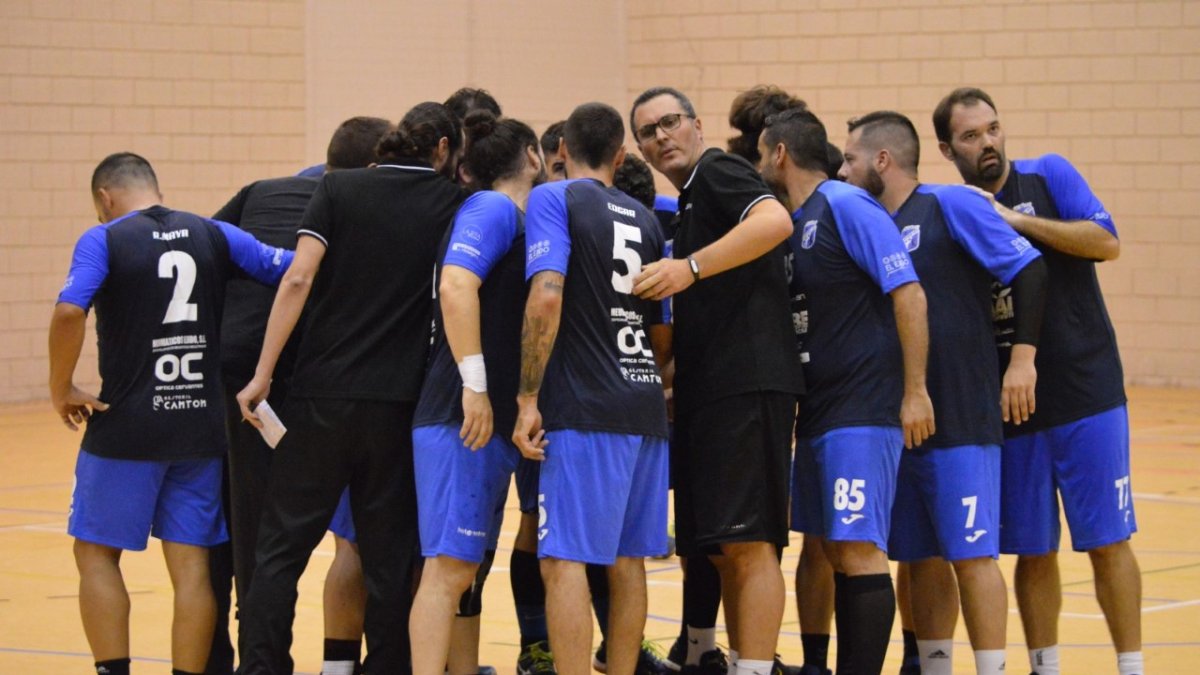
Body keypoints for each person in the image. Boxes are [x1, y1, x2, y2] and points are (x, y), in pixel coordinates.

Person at [234, 102, 465, 675]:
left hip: (321, 399)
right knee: (389, 561)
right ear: (441, 150)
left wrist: (262, 374)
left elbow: (298, 277)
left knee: (280, 550)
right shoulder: (452, 204)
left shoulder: (339, 191)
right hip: (398, 408)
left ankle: (262, 667)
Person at [49, 152, 293, 675]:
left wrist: (60, 386)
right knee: (191, 568)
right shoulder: (213, 233)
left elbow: (70, 308)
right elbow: (292, 271)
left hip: (126, 427)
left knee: (95, 555)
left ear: (104, 198)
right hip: (199, 428)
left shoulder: (105, 238)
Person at [934, 87, 1142, 675]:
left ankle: (1132, 664)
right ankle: (1044, 665)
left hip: (1086, 389)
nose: (988, 142)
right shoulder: (951, 208)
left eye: (993, 129)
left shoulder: (1049, 176)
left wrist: (1015, 219)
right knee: (1031, 547)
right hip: (1011, 401)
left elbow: (1106, 242)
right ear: (948, 149)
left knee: (1107, 538)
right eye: (972, 136)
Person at [840, 110, 1049, 675]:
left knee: (973, 554)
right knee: (920, 554)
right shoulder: (866, 222)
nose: (843, 168)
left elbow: (1029, 270)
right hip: (895, 420)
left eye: (850, 158)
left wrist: (1022, 359)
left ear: (882, 160)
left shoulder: (950, 204)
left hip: (958, 412)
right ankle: (933, 666)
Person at [209, 116, 393, 675]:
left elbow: (205, 247)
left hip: (237, 369)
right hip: (314, 375)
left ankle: (253, 661)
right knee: (355, 532)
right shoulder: (366, 204)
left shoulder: (261, 190)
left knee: (256, 531)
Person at [629, 87, 802, 675]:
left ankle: (756, 666)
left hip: (748, 382)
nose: (661, 137)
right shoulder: (689, 199)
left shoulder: (720, 169)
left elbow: (776, 220)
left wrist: (690, 267)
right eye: (648, 131)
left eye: (670, 122)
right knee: (724, 547)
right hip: (712, 389)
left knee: (750, 544)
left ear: (697, 125)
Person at [756, 107, 934, 675]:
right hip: (818, 410)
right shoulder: (794, 221)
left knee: (858, 550)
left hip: (862, 407)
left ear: (780, 154)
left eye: (762, 154)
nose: (759, 164)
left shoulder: (845, 203)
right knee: (829, 545)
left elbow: (908, 293)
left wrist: (915, 391)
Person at [513, 101, 671, 675]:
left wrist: (528, 397)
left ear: (561, 152)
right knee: (628, 562)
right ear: (621, 155)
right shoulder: (648, 219)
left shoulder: (554, 198)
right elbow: (661, 331)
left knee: (563, 562)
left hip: (584, 406)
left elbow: (547, 293)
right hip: (644, 403)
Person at [409, 109, 545, 675]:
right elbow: (456, 285)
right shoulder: (493, 208)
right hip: (460, 415)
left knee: (467, 571)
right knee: (448, 570)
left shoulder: (514, 218)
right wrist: (476, 388)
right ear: (533, 157)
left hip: (483, 418)